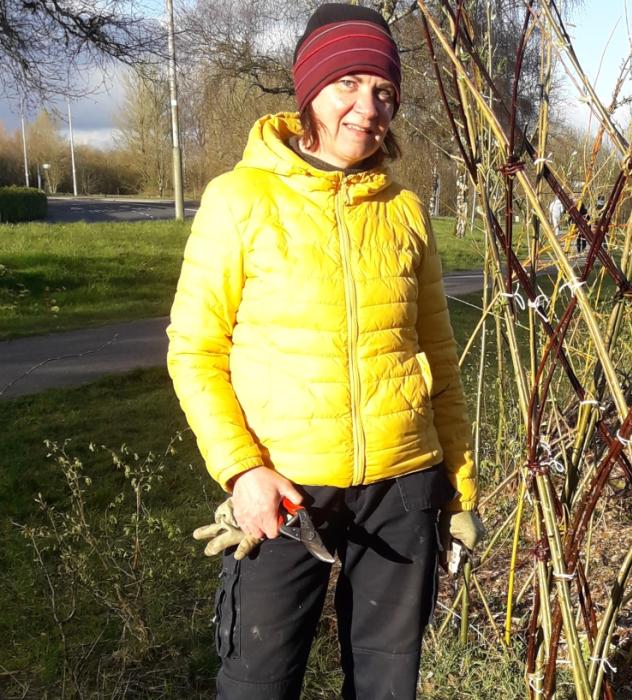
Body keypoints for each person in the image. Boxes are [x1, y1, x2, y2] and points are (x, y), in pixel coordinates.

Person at [166, 5, 485, 698]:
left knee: (387, 684)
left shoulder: (405, 211)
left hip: (402, 485)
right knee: (258, 683)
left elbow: (438, 358)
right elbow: (195, 350)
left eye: (384, 92)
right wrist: (242, 471)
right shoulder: (239, 199)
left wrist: (459, 487)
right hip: (284, 493)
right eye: (349, 84)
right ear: (310, 88)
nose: (368, 108)